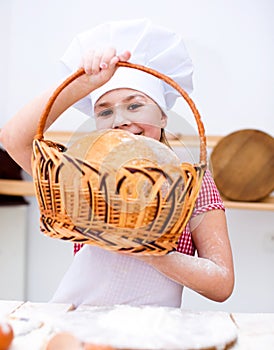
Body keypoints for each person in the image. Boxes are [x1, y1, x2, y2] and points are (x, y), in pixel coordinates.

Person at [0, 19, 234, 307]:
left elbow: (221, 282)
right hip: (80, 324)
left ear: (162, 116)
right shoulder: (83, 175)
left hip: (154, 333)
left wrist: (147, 250)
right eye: (105, 110)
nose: (120, 120)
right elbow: (13, 139)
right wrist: (85, 83)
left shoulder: (192, 186)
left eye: (135, 105)